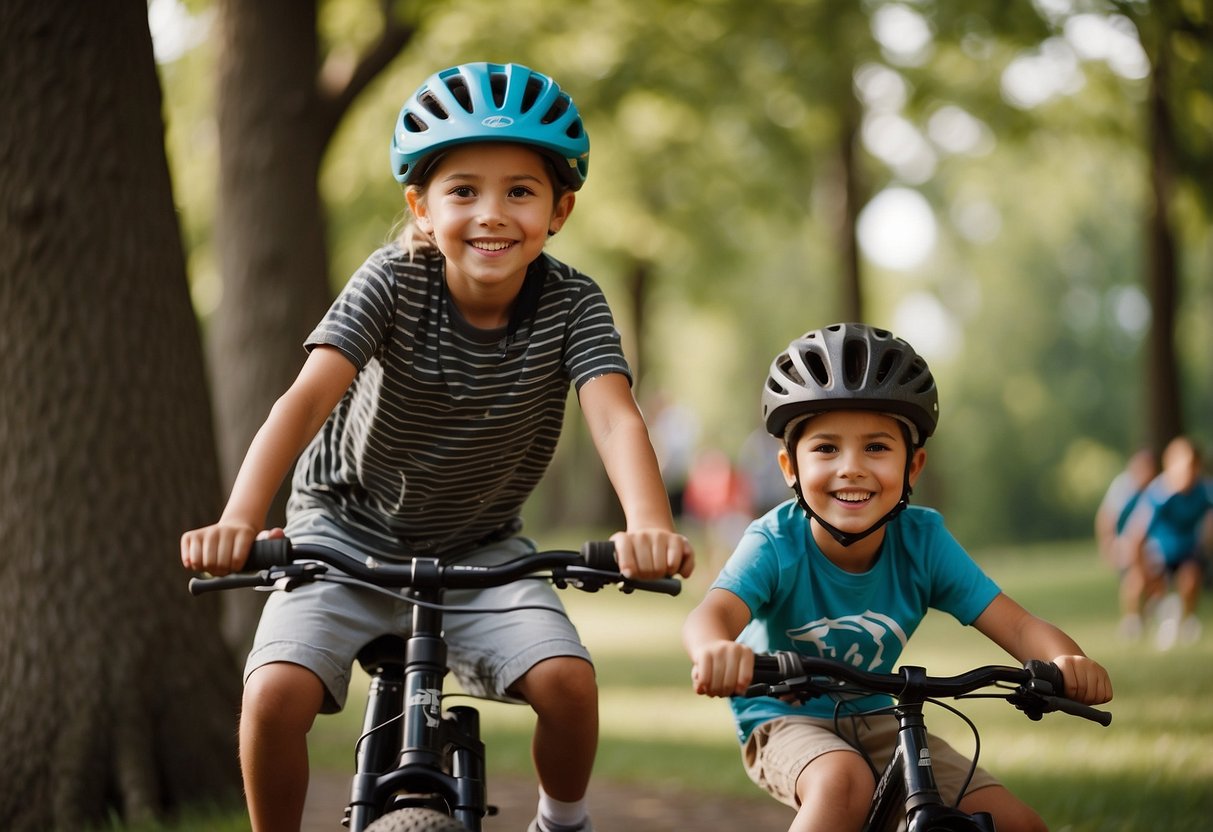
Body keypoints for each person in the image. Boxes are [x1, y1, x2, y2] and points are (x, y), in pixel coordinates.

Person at [180, 62, 693, 832]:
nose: (492, 213)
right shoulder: (391, 281)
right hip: (340, 535)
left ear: (560, 209)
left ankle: (563, 821)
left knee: (567, 684)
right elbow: (307, 399)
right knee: (271, 696)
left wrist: (647, 523)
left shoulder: (573, 303)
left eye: (520, 191)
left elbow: (615, 418)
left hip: (483, 550)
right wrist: (240, 520)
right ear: (421, 208)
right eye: (464, 191)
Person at [682, 323, 1112, 832]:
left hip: (879, 715)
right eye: (825, 449)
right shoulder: (774, 542)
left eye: (877, 448)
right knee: (843, 781)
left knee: (1018, 823)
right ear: (788, 467)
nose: (851, 468)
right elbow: (713, 613)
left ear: (913, 467)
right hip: (783, 717)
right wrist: (716, 650)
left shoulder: (923, 542)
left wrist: (1067, 661)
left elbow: (1017, 626)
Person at [1119, 435, 1211, 650]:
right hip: (1158, 552)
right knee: (1137, 582)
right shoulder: (1160, 494)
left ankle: (1186, 621)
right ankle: (1134, 621)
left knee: (1191, 577)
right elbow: (1137, 535)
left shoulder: (1203, 492)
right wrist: (1143, 570)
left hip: (1187, 551)